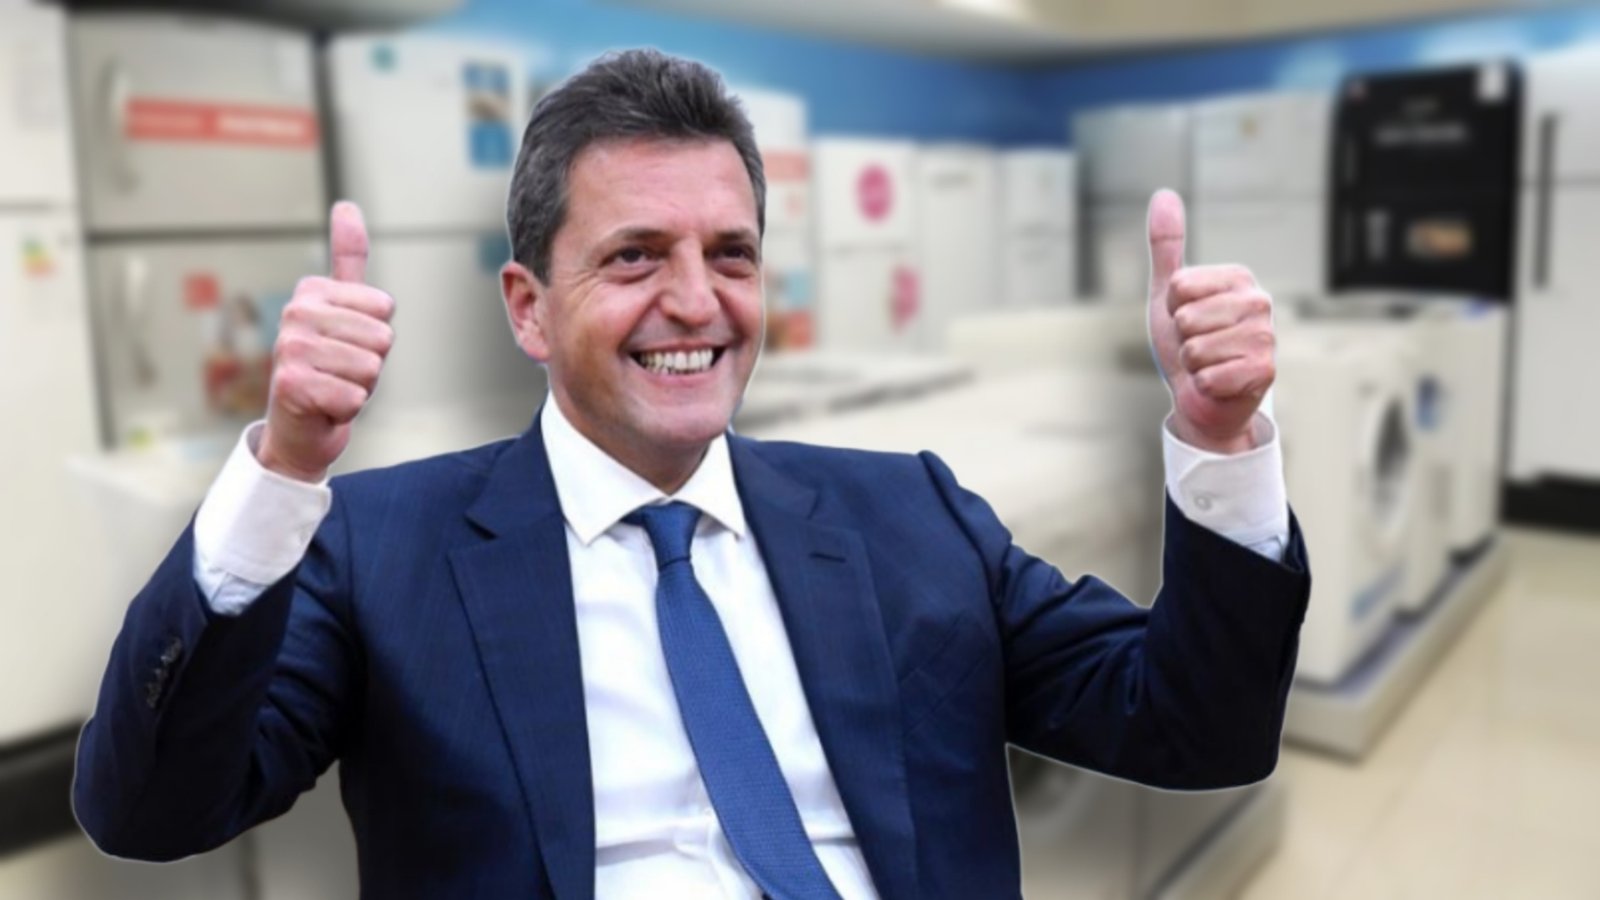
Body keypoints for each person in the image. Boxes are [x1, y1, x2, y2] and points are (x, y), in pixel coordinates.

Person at [74, 49, 1309, 899]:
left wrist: (1216, 438)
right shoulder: (381, 547)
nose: (694, 301)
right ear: (527, 307)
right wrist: (285, 464)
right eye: (633, 256)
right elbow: (150, 813)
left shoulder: (909, 515)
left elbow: (1196, 729)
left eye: (731, 253)